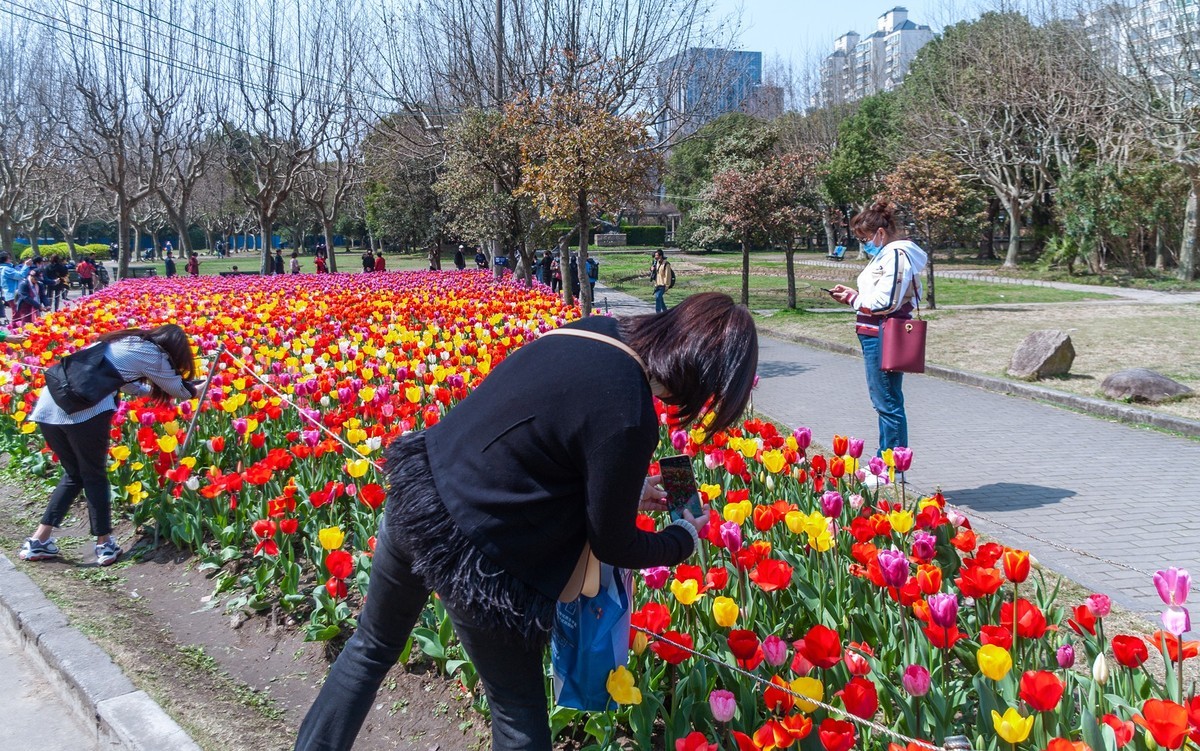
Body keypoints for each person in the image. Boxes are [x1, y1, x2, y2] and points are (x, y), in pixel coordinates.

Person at [293, 292, 758, 751]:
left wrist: (629, 491)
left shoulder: (594, 330)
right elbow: (614, 544)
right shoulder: (630, 412)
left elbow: (539, 442)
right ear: (701, 378)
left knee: (371, 647)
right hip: (476, 552)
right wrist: (683, 538)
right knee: (518, 713)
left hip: (421, 489)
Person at [18, 325, 198, 566]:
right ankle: (104, 544)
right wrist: (201, 387)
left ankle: (38, 541)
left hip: (48, 408)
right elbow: (180, 391)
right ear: (174, 348)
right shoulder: (154, 354)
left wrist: (145, 391)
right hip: (84, 413)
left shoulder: (121, 341)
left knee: (74, 474)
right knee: (94, 475)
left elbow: (121, 381)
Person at [828, 200, 927, 463]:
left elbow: (885, 303)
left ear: (880, 233)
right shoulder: (888, 255)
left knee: (887, 402)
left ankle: (890, 466)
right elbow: (883, 296)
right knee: (885, 400)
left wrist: (853, 300)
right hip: (876, 333)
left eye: (865, 238)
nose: (864, 244)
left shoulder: (895, 255)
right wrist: (856, 296)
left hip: (883, 335)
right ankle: (887, 462)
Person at [1, 253, 25, 319]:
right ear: (5, 260)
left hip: (6, 293)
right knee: (17, 313)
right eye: (9, 258)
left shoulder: (2, 268)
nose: (10, 260)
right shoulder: (7, 269)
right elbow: (20, 276)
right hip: (12, 293)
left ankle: (16, 327)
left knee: (16, 313)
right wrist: (26, 266)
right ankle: (16, 328)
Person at [652, 249, 672, 313]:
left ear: (660, 256)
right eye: (655, 255)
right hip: (657, 284)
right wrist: (651, 268)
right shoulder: (656, 263)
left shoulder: (666, 264)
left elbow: (668, 275)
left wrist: (667, 285)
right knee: (660, 299)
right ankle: (665, 312)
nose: (655, 257)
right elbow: (655, 272)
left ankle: (658, 313)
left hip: (663, 284)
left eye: (657, 255)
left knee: (658, 297)